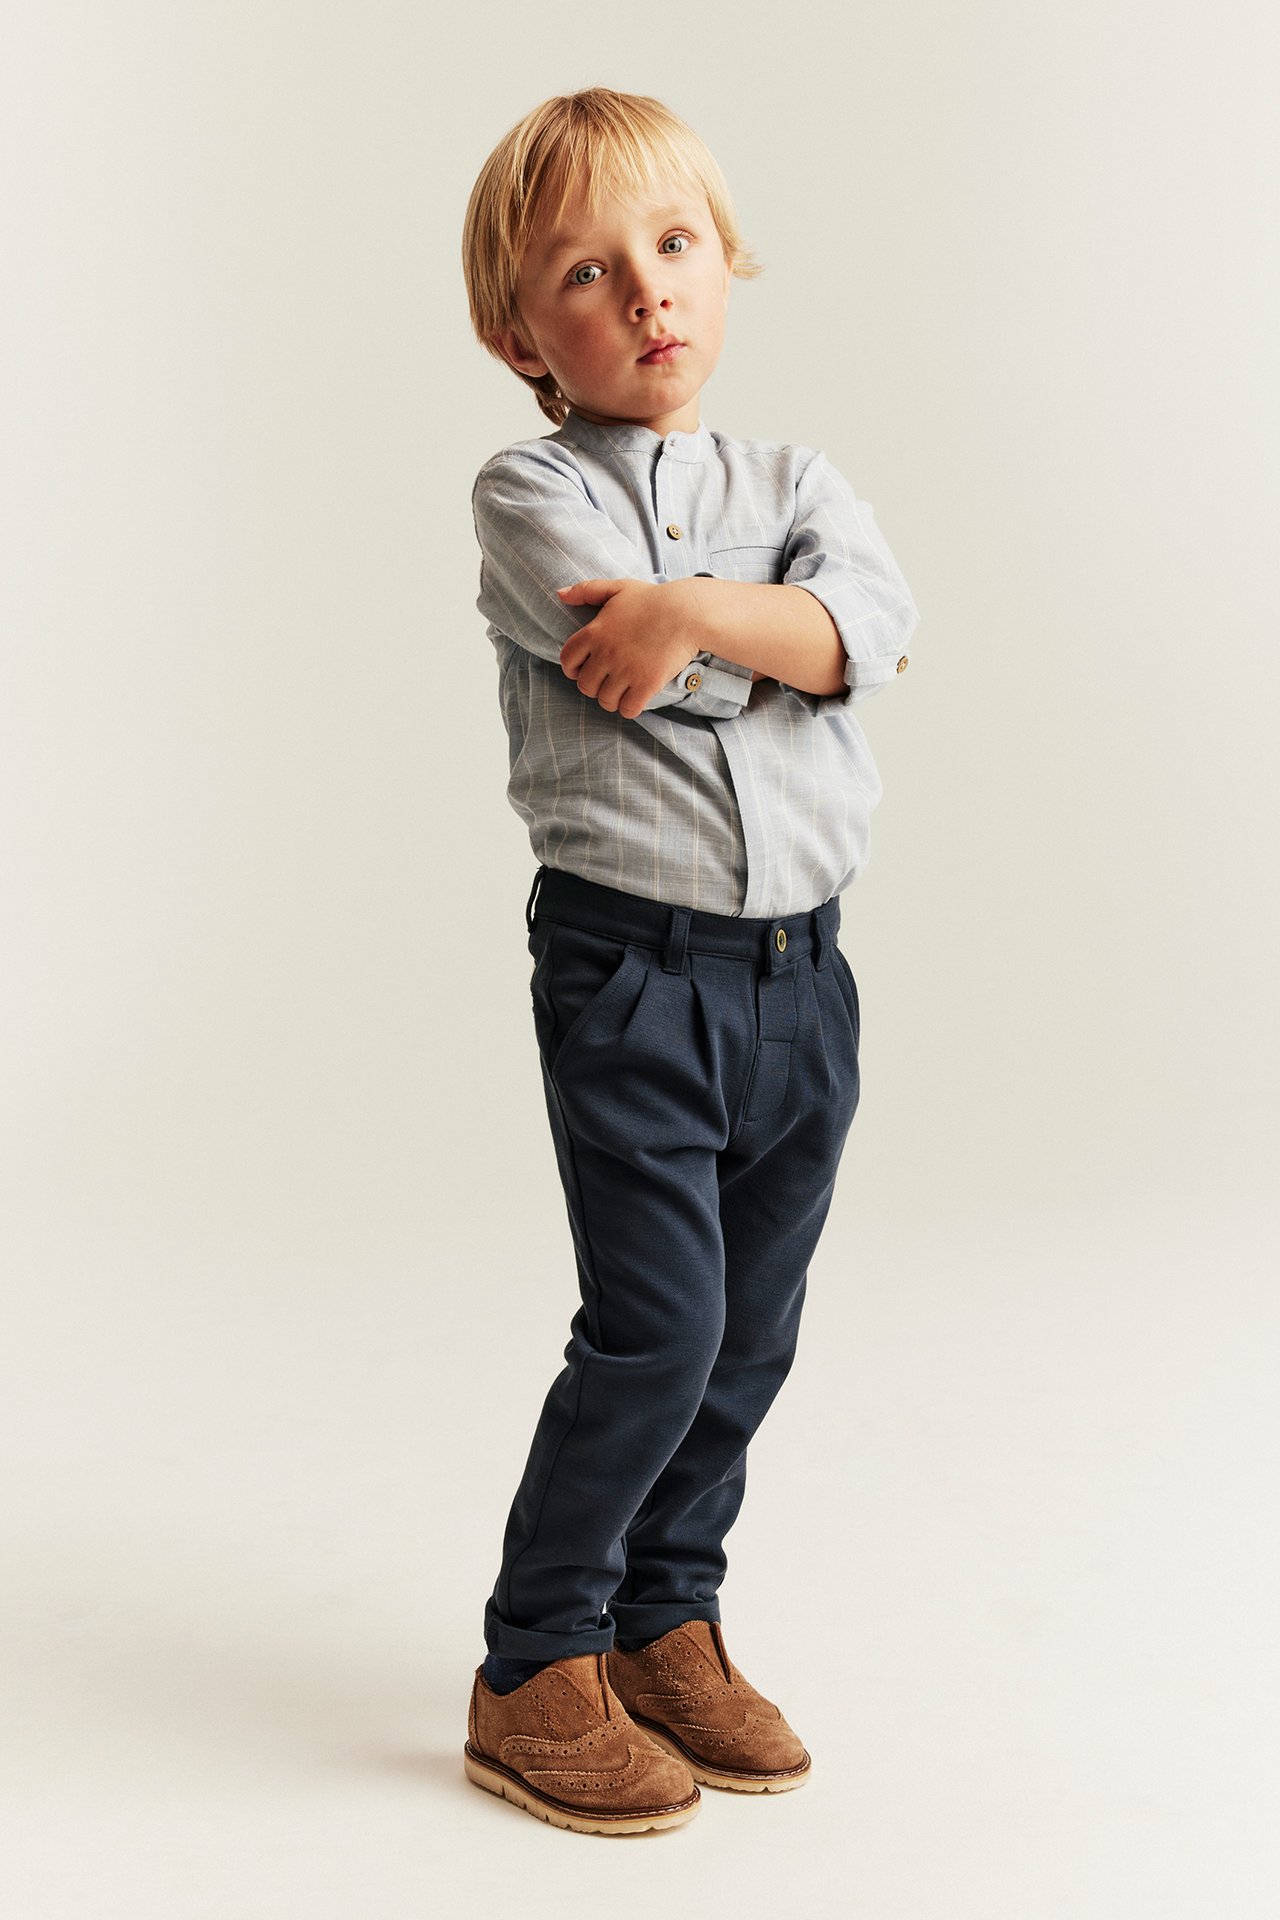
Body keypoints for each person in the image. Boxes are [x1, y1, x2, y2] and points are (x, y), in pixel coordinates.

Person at [458, 86, 920, 1836]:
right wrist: (772, 639)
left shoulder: (802, 483)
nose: (643, 291)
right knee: (660, 1324)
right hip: (634, 974)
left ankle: (667, 1612)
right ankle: (534, 1656)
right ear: (521, 334)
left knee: (753, 1334)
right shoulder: (528, 489)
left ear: (724, 266)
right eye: (585, 270)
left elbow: (868, 631)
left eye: (670, 246)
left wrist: (711, 614)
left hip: (804, 981)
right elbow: (661, 670)